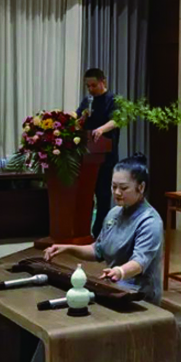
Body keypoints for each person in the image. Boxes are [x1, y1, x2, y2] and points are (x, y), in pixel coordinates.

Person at [21, 154, 163, 362]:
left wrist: (119, 272)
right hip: (111, 287)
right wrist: (66, 247)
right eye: (114, 186)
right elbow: (98, 250)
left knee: (76, 319)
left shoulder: (150, 221)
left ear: (141, 188)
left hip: (137, 295)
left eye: (123, 188)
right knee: (60, 317)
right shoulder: (114, 213)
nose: (117, 193)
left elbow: (140, 262)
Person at [77, 68, 121, 238]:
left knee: (103, 195)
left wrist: (101, 129)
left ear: (103, 82)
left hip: (105, 156)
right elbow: (77, 120)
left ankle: (100, 233)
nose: (90, 89)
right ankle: (83, 231)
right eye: (88, 86)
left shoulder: (113, 100)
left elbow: (116, 120)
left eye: (94, 85)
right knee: (86, 194)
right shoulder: (87, 101)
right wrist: (80, 120)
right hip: (87, 156)